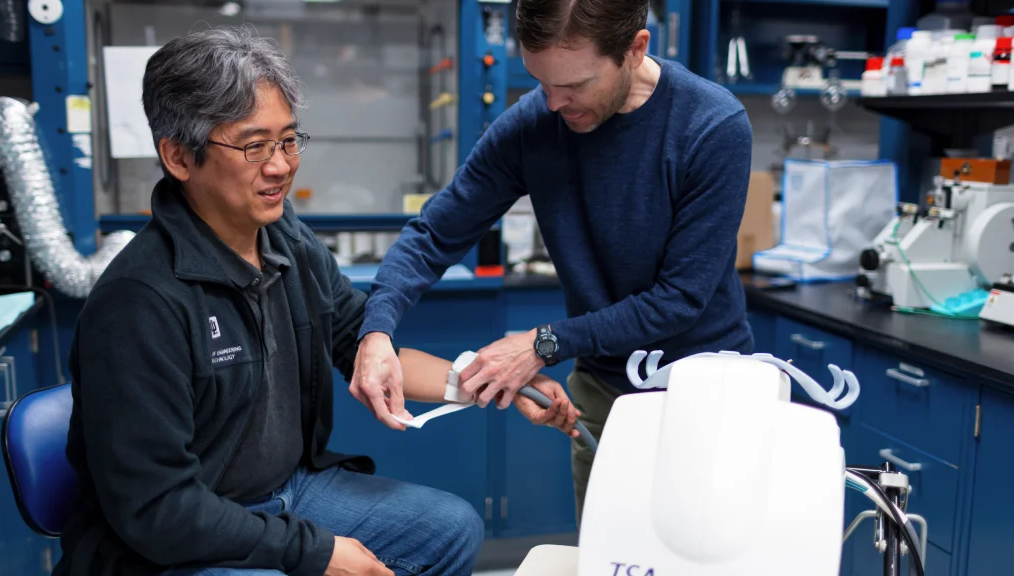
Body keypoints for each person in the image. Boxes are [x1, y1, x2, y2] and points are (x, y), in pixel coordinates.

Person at [55, 25, 582, 576]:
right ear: (179, 158)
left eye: (288, 140)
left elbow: (364, 347)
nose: (280, 165)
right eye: (254, 146)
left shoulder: (286, 240)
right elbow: (158, 509)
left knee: (447, 528)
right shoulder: (140, 303)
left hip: (288, 490)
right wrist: (318, 551)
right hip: (181, 530)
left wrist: (490, 380)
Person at [350, 0, 754, 524]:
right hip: (603, 392)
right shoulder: (534, 124)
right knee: (609, 553)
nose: (553, 103)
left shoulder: (712, 126)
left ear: (635, 48)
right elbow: (433, 234)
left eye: (576, 85)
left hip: (708, 395)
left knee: (708, 549)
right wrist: (376, 330)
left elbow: (679, 300)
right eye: (540, 82)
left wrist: (544, 344)